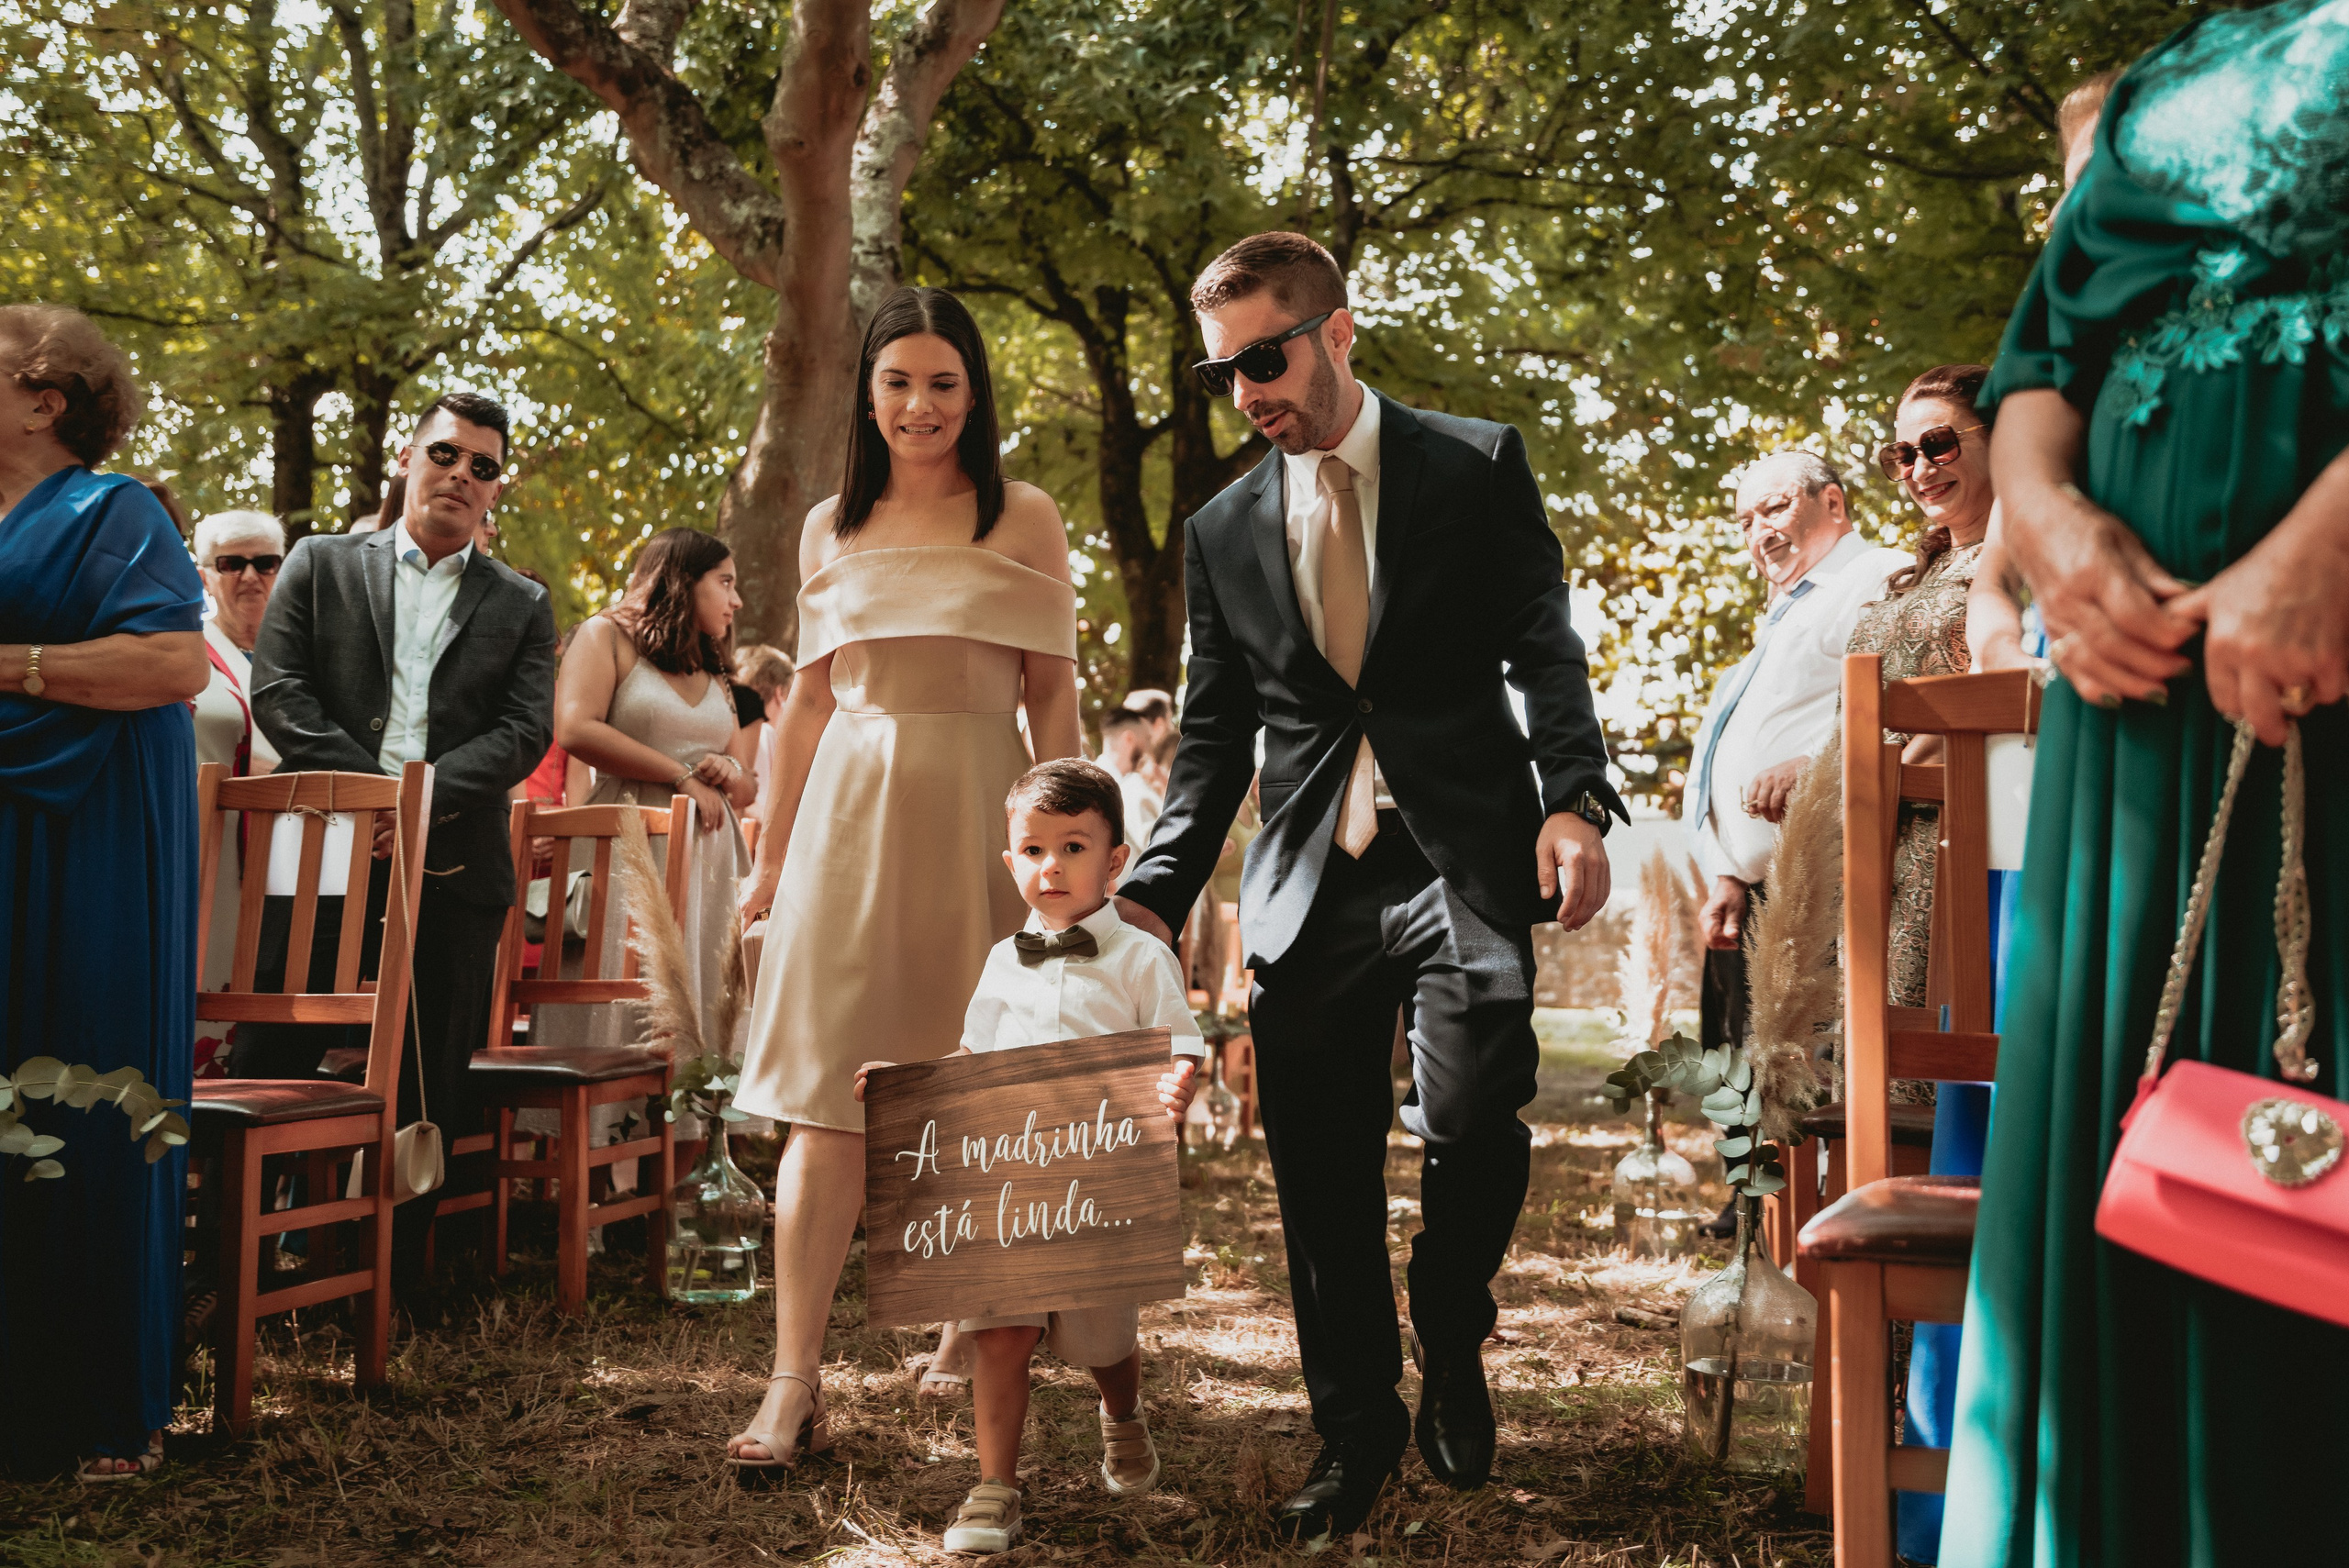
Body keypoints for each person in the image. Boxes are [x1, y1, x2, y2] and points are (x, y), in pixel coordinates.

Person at [1111, 231, 1622, 1536]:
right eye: (1224, 372)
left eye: (1265, 360)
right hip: (1309, 882)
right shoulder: (1223, 528)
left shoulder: (1474, 462)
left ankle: (1452, 1327)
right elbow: (1217, 735)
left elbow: (1544, 652)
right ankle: (1355, 1427)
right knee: (1319, 1170)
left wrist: (1571, 800)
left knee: (1475, 1112)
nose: (1248, 394)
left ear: (1337, 331)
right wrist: (1155, 890)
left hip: (1459, 849)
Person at [1943, 8, 2349, 1564]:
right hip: (2137, 723)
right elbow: (2051, 350)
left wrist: (2326, 550)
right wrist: (2045, 518)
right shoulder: (2185, 66)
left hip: (2320, 664)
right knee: (2139, 1168)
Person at [728, 286, 1082, 1471]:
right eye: (897, 383)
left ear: (973, 393)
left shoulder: (1024, 516)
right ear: (867, 395)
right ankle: (791, 1383)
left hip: (989, 807)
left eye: (941, 382)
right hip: (849, 817)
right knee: (825, 1100)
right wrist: (771, 863)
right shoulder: (829, 523)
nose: (919, 405)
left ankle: (968, 1323)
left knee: (974, 1087)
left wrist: (1067, 859)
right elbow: (810, 703)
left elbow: (1055, 703)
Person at [848, 759, 1204, 1550]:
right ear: (1010, 861)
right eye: (1034, 850)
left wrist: (1174, 1087)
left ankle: (1122, 1410)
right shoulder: (1003, 960)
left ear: (1115, 860)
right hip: (1007, 1181)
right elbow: (976, 1054)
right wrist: (914, 1084)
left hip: (1096, 1184)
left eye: (1074, 846)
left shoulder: (1143, 958)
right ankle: (994, 1486)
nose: (1052, 866)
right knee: (998, 1332)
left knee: (1102, 1343)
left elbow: (1182, 1044)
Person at [245, 390, 559, 1281]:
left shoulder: (524, 604)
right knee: (273, 1050)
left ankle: (395, 1268)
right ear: (408, 458)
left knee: (431, 1077)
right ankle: (238, 1254)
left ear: (498, 489)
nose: (461, 474)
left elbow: (523, 732)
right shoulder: (318, 563)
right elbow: (280, 691)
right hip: (323, 849)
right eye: (446, 454)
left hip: (455, 862)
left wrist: (417, 808)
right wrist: (374, 797)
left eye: (483, 466)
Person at [0, 304, 209, 1478]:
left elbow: (174, 662)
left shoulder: (113, 509)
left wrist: (11, 667)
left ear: (46, 399)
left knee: (87, 1084)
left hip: (92, 835)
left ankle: (98, 1402)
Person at [1682, 451, 1909, 1056]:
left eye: (1775, 507)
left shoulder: (1878, 578)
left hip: (1823, 887)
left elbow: (1902, 702)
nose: (1760, 531)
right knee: (1742, 1104)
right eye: (1745, 521)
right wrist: (1726, 868)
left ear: (1832, 503)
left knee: (1810, 1097)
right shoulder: (1787, 608)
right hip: (1751, 896)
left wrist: (1817, 763)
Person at [543, 528, 756, 1067]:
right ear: (683, 582)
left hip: (708, 858)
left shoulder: (713, 666)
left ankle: (693, 1143)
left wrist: (727, 769)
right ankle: (601, 1141)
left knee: (704, 1005)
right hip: (626, 844)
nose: (736, 600)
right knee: (620, 992)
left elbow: (747, 784)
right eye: (725, 582)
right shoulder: (604, 635)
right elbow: (574, 728)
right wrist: (681, 775)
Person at [190, 508, 286, 1078]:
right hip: (210, 857)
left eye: (265, 562)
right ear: (205, 573)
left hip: (289, 866)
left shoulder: (305, 655)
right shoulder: (182, 651)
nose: (250, 576)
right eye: (231, 563)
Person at [1097, 706, 1162, 859]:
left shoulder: (1127, 784)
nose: (1150, 748)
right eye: (1147, 739)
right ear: (1129, 739)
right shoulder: (1128, 788)